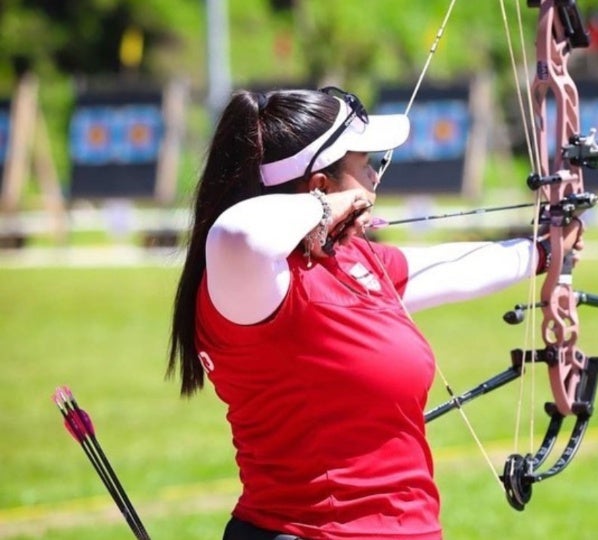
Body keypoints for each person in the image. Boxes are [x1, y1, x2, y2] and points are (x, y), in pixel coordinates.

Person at [167, 86, 573, 540]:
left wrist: (545, 251)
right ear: (320, 184)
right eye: (368, 165)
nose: (377, 179)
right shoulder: (256, 283)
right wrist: (329, 207)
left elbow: (453, 269)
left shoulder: (353, 259)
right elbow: (235, 233)